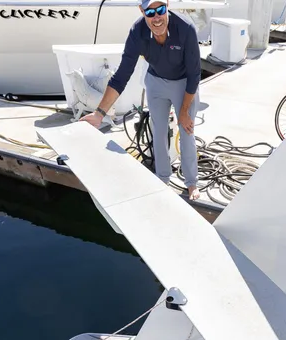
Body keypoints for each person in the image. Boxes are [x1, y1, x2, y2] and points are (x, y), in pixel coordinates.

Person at [80, 0, 201, 200]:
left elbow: (195, 75)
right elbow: (121, 76)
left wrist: (184, 111)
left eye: (160, 9)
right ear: (141, 11)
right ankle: (162, 178)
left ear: (167, 5)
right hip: (156, 82)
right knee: (158, 130)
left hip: (184, 83)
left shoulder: (186, 28)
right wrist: (99, 114)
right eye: (150, 12)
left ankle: (191, 182)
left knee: (186, 130)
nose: (157, 17)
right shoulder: (137, 32)